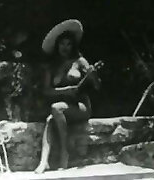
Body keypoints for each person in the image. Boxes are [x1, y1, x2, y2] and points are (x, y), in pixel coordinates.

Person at [35, 19, 100, 173]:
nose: (65, 47)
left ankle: (65, 153)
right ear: (57, 45)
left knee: (55, 109)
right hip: (61, 109)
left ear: (73, 46)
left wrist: (93, 76)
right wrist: (65, 90)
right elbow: (46, 91)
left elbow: (97, 87)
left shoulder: (80, 61)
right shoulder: (52, 66)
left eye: (68, 44)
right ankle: (44, 162)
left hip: (80, 106)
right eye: (62, 44)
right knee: (50, 119)